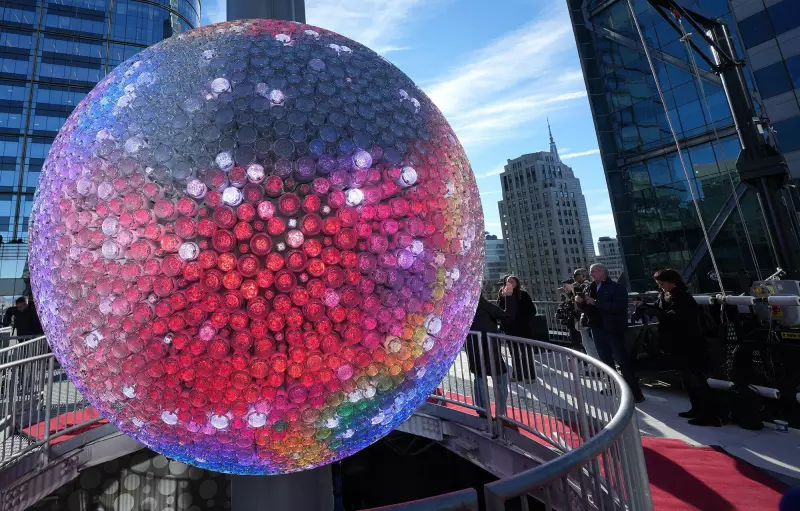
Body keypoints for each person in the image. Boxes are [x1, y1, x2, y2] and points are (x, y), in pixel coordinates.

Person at [635, 269, 720, 426]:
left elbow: (680, 317)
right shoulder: (665, 294)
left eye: (661, 284)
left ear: (671, 282)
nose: (660, 287)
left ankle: (709, 414)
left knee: (696, 377)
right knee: (687, 377)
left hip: (689, 342)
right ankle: (696, 409)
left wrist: (659, 313)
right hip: (676, 342)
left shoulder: (683, 296)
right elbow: (661, 308)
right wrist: (645, 305)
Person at [577, 263, 644, 402]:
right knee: (605, 360)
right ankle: (612, 386)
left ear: (602, 271)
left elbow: (619, 307)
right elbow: (586, 309)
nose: (591, 274)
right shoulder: (591, 287)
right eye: (591, 271)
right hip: (597, 328)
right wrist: (580, 302)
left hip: (613, 329)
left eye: (593, 271)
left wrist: (596, 303)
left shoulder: (616, 287)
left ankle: (635, 393)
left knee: (622, 360)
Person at [466, 296, 509, 416]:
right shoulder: (485, 306)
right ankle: (500, 412)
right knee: (500, 379)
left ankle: (483, 411)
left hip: (475, 348)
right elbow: (505, 316)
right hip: (491, 349)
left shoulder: (465, 307)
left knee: (480, 379)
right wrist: (509, 297)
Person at [497, 275, 537, 383]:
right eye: (507, 281)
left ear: (517, 282)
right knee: (514, 354)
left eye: (512, 281)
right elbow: (499, 310)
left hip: (523, 329)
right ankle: (517, 375)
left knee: (526, 353)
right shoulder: (502, 295)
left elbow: (532, 311)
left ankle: (530, 376)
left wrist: (522, 321)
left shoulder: (523, 295)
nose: (509, 282)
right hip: (510, 329)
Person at [572, 268, 599, 360]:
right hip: (583, 315)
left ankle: (596, 364)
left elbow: (588, 300)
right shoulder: (579, 286)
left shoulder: (587, 285)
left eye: (577, 276)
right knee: (586, 341)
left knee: (590, 342)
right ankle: (594, 364)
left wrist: (580, 300)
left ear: (583, 276)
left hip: (587, 315)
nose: (575, 278)